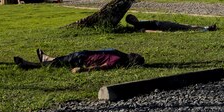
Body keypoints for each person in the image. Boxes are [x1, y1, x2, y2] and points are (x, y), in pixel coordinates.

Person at [13, 48, 144, 73]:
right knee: (58, 62)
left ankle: (30, 64)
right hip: (84, 57)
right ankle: (35, 63)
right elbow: (103, 65)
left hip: (84, 56)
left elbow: (102, 65)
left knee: (57, 63)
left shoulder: (118, 56)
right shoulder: (118, 58)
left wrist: (82, 69)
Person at [125, 13, 216, 32]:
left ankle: (205, 28)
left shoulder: (140, 22)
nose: (135, 18)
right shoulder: (137, 27)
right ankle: (206, 28)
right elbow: (146, 31)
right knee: (185, 27)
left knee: (184, 27)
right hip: (160, 26)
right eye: (132, 19)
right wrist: (159, 32)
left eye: (134, 17)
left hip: (160, 23)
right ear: (130, 22)